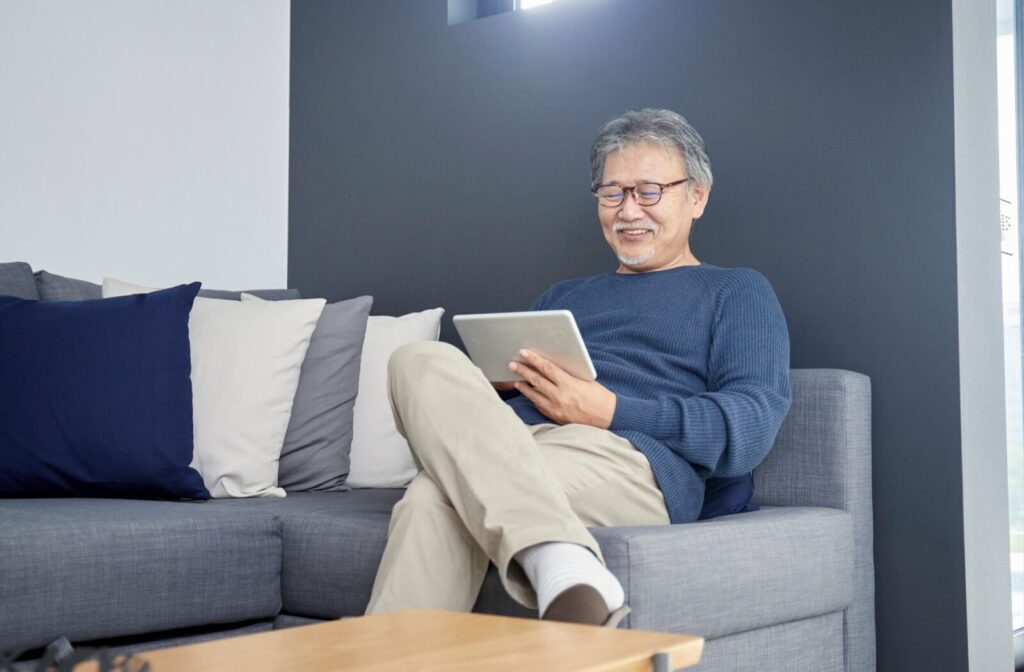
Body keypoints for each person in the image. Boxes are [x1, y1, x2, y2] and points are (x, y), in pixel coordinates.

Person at [365, 108, 792, 626]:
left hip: (629, 461)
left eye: (649, 191)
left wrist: (607, 410)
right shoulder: (562, 297)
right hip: (517, 446)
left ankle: (561, 568)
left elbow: (747, 428)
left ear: (696, 196)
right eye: (613, 193)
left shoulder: (737, 291)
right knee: (418, 358)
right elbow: (491, 416)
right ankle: (565, 564)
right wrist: (501, 390)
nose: (628, 211)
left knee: (433, 499)